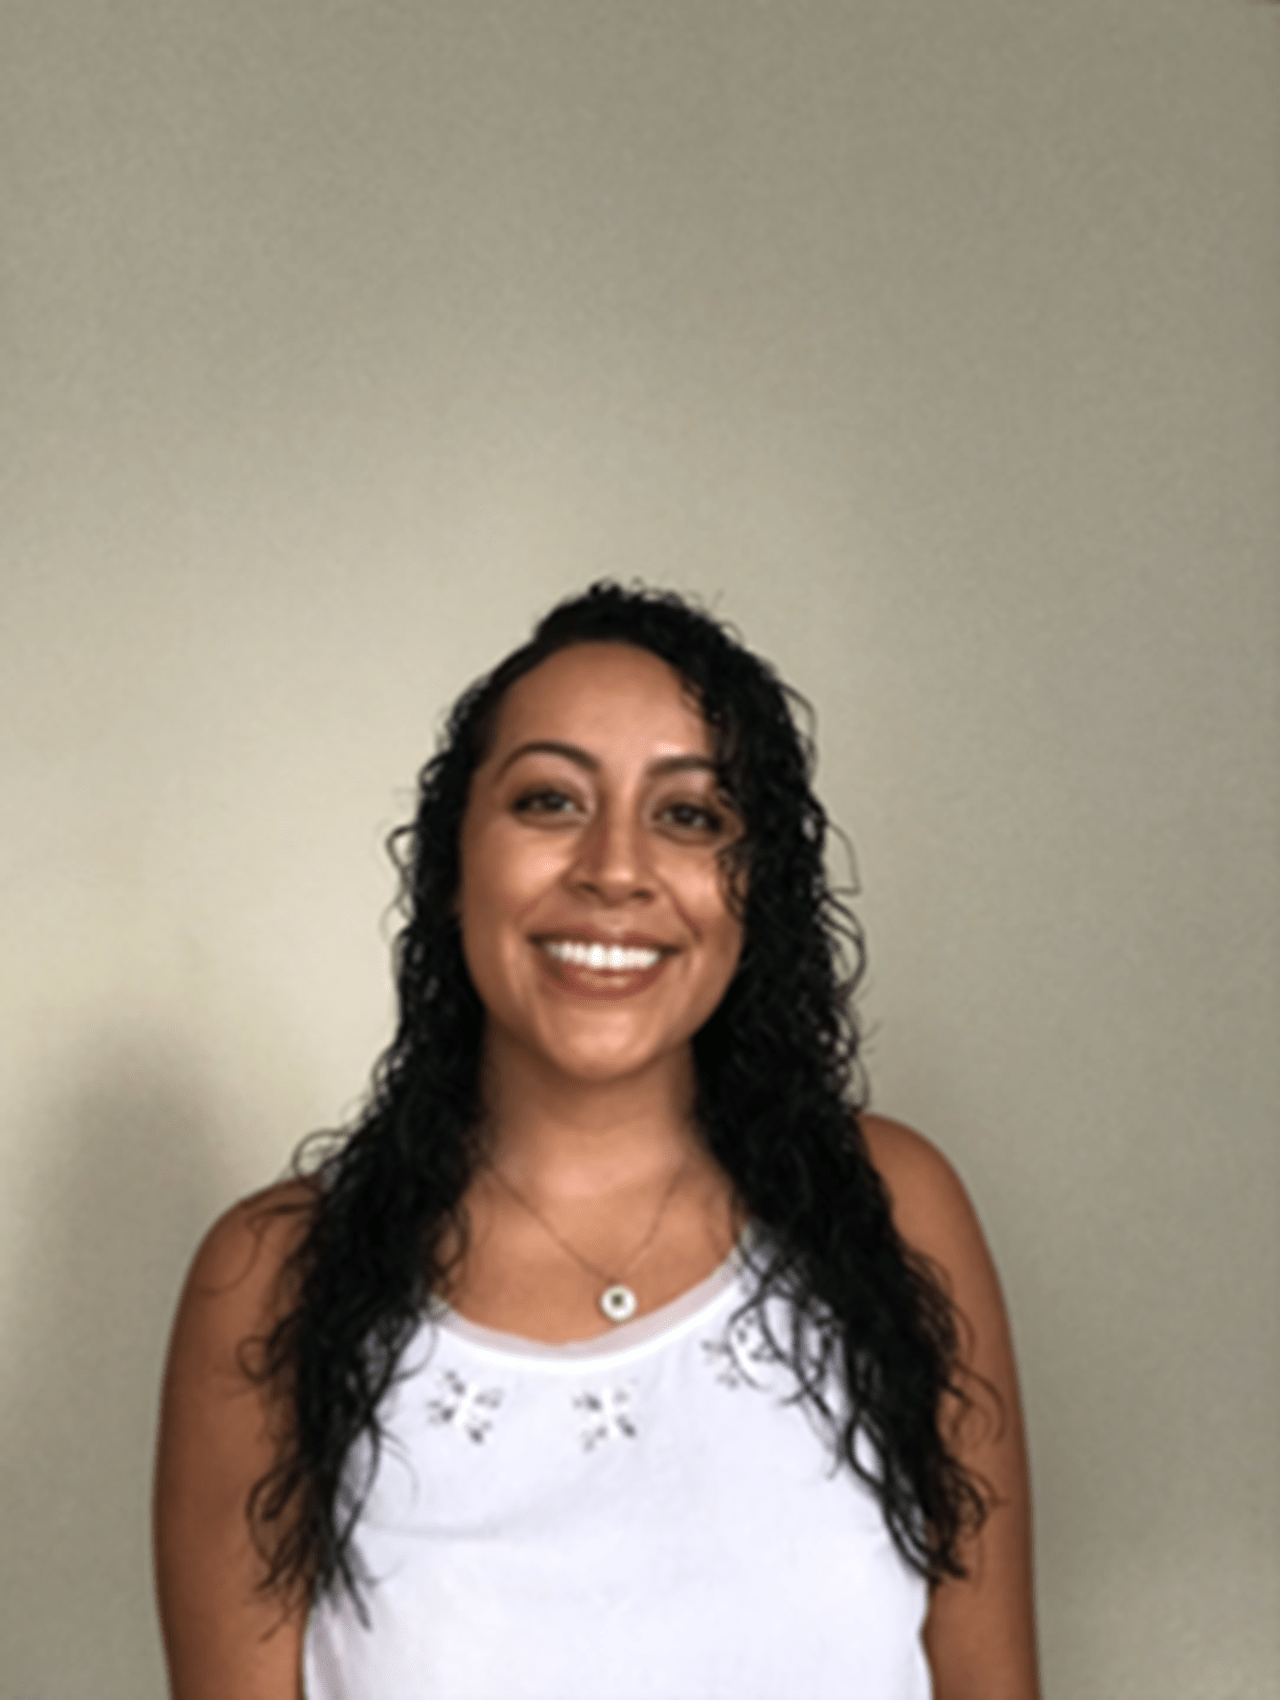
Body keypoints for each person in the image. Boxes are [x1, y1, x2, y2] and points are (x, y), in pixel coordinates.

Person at [154, 582, 1039, 1699]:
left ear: (750, 886)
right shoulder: (274, 1277)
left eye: (688, 814)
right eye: (548, 800)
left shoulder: (893, 1204)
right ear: (450, 866)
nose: (614, 868)